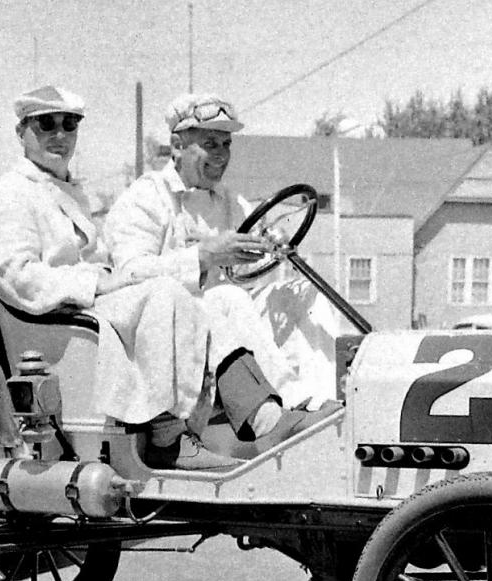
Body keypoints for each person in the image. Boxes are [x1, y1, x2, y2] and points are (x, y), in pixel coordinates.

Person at [0, 85, 333, 472]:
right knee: (173, 292)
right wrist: (93, 283)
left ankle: (300, 409)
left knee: (269, 294)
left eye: (69, 124)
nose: (60, 135)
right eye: (46, 125)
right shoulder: (11, 195)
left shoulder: (65, 192)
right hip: (52, 328)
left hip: (84, 315)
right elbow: (13, 275)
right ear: (22, 133)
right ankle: (169, 436)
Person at [104, 92, 345, 408]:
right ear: (178, 147)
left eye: (226, 144)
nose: (221, 155)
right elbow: (128, 274)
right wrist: (203, 256)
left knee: (304, 292)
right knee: (225, 298)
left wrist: (268, 245)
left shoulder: (231, 202)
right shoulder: (144, 199)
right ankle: (291, 401)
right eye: (210, 144)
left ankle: (324, 401)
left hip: (229, 329)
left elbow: (251, 260)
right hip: (172, 337)